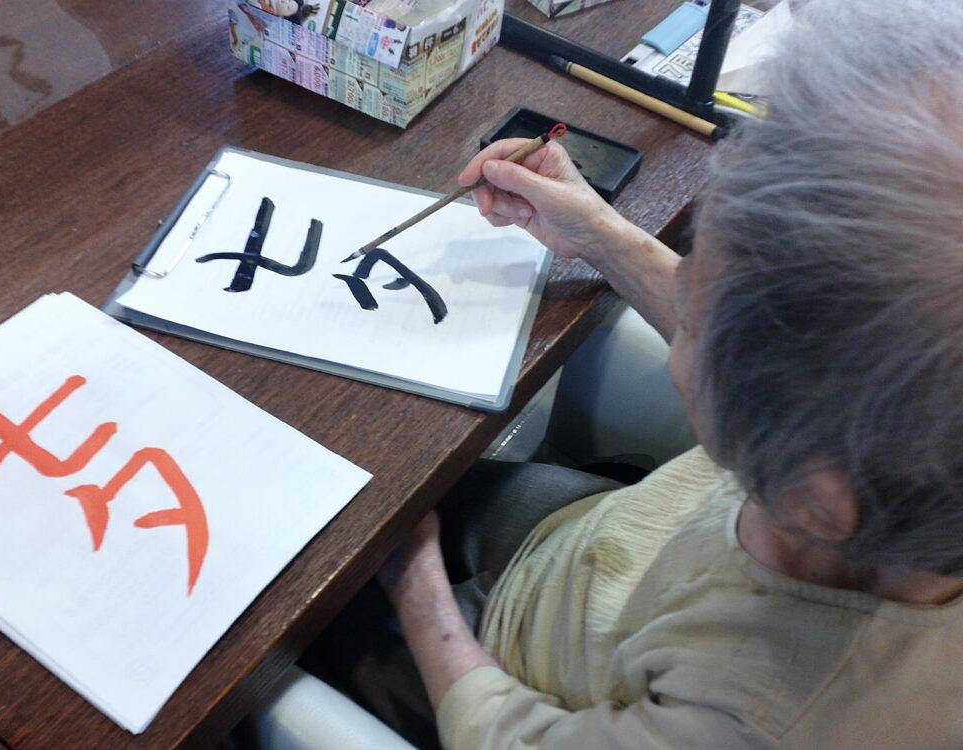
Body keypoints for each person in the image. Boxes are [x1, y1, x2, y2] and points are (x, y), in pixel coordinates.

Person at [300, 0, 963, 747]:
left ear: (812, 495)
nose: (681, 294)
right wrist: (599, 234)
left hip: (521, 679)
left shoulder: (762, 717)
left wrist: (414, 580)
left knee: (295, 636)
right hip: (600, 544)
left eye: (695, 313)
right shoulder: (886, 450)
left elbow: (509, 737)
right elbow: (779, 351)